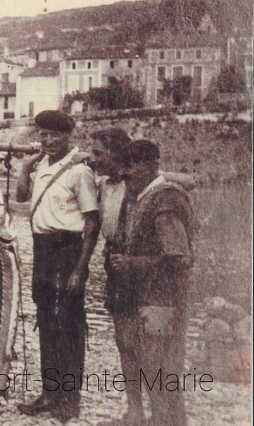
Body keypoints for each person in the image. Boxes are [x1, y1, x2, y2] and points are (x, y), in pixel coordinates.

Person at [15, 110, 100, 422]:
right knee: (47, 322)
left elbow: (92, 223)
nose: (47, 140)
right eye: (43, 134)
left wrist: (80, 269)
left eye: (54, 135)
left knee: (69, 327)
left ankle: (69, 400)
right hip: (43, 251)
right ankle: (50, 393)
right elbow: (22, 196)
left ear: (68, 136)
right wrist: (26, 166)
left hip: (68, 251)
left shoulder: (79, 171)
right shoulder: (43, 166)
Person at [108, 140, 196, 426]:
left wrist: (132, 263)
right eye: (122, 168)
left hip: (162, 300)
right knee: (144, 360)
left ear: (148, 166)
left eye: (129, 168)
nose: (124, 175)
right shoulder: (143, 195)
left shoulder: (165, 200)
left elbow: (178, 257)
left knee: (159, 366)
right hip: (142, 297)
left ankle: (168, 422)